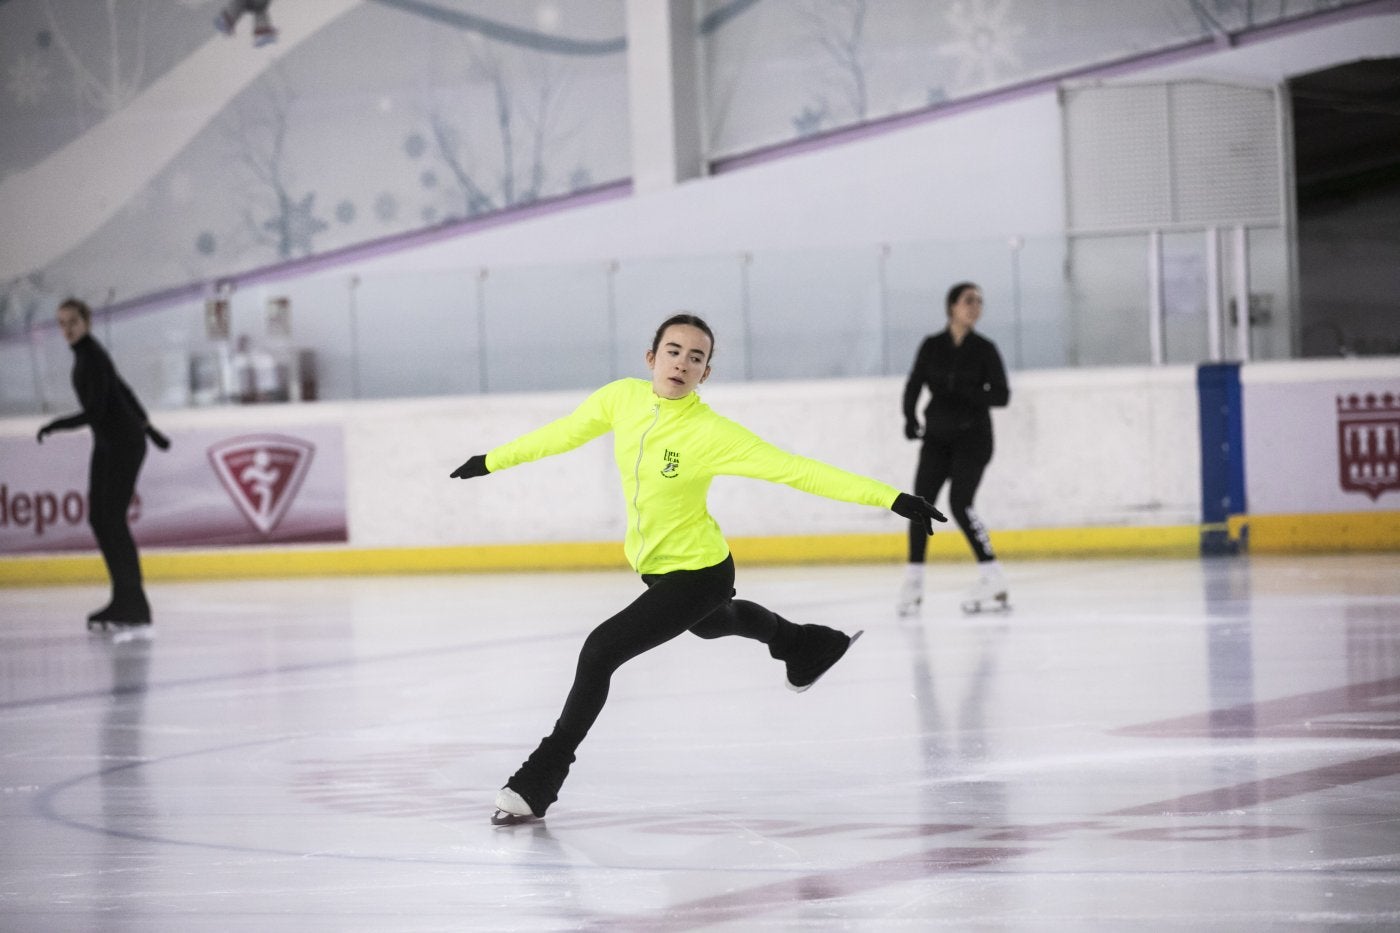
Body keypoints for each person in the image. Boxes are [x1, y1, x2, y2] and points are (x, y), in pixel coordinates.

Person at [450, 313, 947, 825]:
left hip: (701, 572)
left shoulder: (712, 433)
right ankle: (805, 644)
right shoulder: (620, 398)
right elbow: (563, 434)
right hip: (660, 570)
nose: (682, 363)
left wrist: (890, 498)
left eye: (696, 357)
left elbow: (798, 470)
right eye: (673, 350)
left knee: (600, 651)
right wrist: (491, 460)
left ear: (706, 373)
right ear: (651, 358)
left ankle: (539, 779)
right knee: (715, 624)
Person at [36, 299, 170, 629]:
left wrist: (55, 425)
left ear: (86, 321)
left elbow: (98, 409)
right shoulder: (88, 355)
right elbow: (123, 390)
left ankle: (133, 602)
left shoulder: (91, 357)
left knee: (111, 520)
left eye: (72, 322)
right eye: (62, 323)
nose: (67, 329)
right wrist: (149, 426)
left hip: (122, 444)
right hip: (109, 442)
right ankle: (124, 599)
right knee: (101, 518)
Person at [898, 282, 1011, 616]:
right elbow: (914, 383)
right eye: (968, 300)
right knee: (918, 506)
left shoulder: (984, 349)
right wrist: (909, 417)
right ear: (952, 307)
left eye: (979, 301)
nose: (975, 306)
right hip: (936, 439)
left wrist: (969, 392)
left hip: (974, 439)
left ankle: (993, 576)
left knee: (960, 504)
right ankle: (914, 581)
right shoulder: (932, 346)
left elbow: (1002, 395)